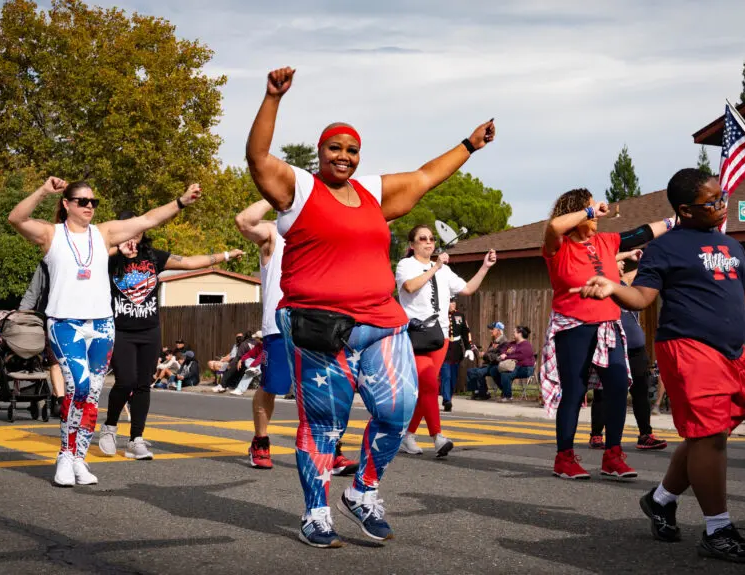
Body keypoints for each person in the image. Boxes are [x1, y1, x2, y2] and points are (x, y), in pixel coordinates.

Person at [245, 65, 495, 547]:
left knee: (397, 410)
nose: (344, 156)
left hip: (382, 323)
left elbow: (424, 177)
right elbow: (257, 157)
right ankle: (316, 513)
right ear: (320, 152)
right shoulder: (298, 189)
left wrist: (468, 145)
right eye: (334, 148)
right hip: (320, 328)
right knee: (323, 425)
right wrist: (272, 97)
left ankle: (362, 491)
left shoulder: (370, 193)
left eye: (352, 150)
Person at [575, 168, 745, 563]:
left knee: (708, 436)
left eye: (722, 197)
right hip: (688, 349)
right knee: (709, 436)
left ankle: (661, 500)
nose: (722, 204)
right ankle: (718, 530)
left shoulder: (730, 245)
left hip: (729, 352)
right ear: (687, 210)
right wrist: (613, 288)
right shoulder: (666, 247)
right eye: (713, 201)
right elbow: (641, 297)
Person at [7, 175, 202, 487]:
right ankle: (65, 454)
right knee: (78, 388)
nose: (89, 206)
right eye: (82, 201)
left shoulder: (104, 233)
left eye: (93, 202)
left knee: (93, 394)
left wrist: (180, 202)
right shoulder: (51, 234)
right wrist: (43, 190)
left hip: (101, 324)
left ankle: (80, 459)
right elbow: (16, 218)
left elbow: (148, 219)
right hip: (65, 323)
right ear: (66, 205)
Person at [540, 188, 672, 481]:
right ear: (576, 211)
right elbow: (553, 226)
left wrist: (677, 220)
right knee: (574, 391)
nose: (598, 214)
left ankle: (613, 455)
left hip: (609, 325)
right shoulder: (558, 245)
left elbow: (642, 232)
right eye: (589, 208)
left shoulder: (606, 241)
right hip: (572, 325)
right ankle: (564, 458)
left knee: (616, 386)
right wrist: (589, 211)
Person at [97, 210, 243, 460]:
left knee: (144, 384)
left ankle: (136, 440)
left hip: (149, 330)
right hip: (121, 330)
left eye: (137, 229)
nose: (132, 234)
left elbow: (187, 262)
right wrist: (117, 250)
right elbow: (85, 259)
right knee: (126, 381)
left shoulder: (152, 257)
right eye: (126, 229)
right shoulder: (107, 258)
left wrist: (226, 255)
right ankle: (110, 427)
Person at [235, 199, 360, 474]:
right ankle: (260, 442)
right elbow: (244, 222)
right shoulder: (273, 232)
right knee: (271, 387)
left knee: (326, 390)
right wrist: (276, 197)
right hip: (280, 325)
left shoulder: (321, 232)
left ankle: (331, 451)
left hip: (318, 325)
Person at [396, 225, 496, 457]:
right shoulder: (406, 265)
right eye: (422, 239)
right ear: (412, 245)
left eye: (431, 238)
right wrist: (436, 267)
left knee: (428, 388)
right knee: (430, 384)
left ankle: (408, 435)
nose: (428, 242)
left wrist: (485, 267)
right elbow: (410, 286)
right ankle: (437, 437)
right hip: (416, 335)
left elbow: (468, 289)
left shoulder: (443, 270)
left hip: (439, 337)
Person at [589, 254, 669, 452]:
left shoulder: (626, 286)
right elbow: (602, 262)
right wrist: (628, 254)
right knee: (603, 393)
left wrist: (650, 257)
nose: (623, 264)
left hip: (636, 349)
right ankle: (597, 434)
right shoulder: (602, 287)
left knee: (641, 392)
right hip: (611, 347)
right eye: (619, 261)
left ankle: (645, 434)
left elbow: (638, 273)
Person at [19, 261, 67, 411]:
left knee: (69, 364)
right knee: (56, 361)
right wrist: (19, 317)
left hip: (76, 319)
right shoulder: (46, 264)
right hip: (51, 318)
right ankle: (60, 401)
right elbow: (33, 293)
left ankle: (56, 397)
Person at [440, 301, 472, 412]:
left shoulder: (460, 316)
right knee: (446, 375)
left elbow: (466, 332)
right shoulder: (440, 314)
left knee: (453, 377)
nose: (452, 304)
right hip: (443, 349)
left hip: (456, 350)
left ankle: (448, 397)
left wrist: (468, 347)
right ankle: (447, 399)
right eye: (449, 302)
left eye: (453, 302)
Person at [466, 322, 507, 400]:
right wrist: (482, 354)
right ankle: (476, 392)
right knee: (470, 371)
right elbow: (489, 355)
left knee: (479, 372)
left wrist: (485, 355)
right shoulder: (494, 340)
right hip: (488, 364)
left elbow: (499, 356)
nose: (490, 331)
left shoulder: (504, 342)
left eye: (492, 329)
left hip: (495, 365)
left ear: (498, 330)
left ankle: (484, 393)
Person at [497, 326, 535, 400]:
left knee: (506, 375)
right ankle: (505, 391)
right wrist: (504, 353)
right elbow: (503, 349)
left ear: (519, 333)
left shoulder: (526, 345)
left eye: (514, 332)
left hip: (525, 368)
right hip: (514, 366)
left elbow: (520, 357)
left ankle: (508, 396)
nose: (513, 333)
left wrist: (506, 356)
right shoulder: (512, 343)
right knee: (494, 370)